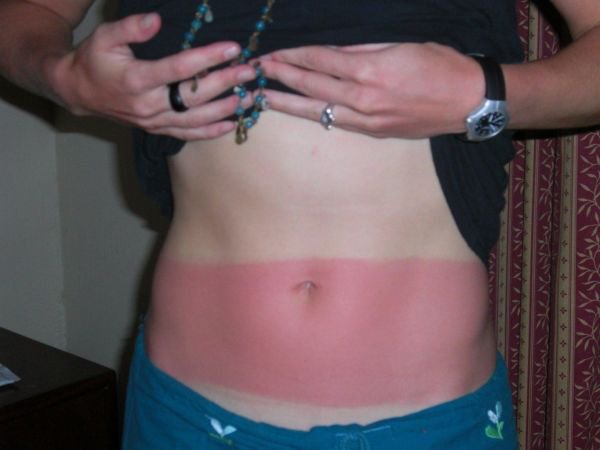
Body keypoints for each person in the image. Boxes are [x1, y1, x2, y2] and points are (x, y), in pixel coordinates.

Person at [1, 0, 599, 448]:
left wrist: (485, 93)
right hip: (189, 417)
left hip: (433, 424)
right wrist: (64, 77)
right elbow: (27, 14)